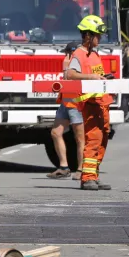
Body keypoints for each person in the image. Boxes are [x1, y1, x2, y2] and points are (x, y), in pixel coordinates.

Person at [66, 15, 112, 191]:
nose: (99, 39)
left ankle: (94, 174)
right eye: (97, 35)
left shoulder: (94, 53)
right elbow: (70, 74)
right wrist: (91, 77)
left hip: (101, 103)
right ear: (87, 35)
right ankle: (87, 178)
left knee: (102, 140)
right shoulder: (79, 54)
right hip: (91, 104)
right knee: (93, 139)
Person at [47, 41, 84, 179]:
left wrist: (65, 68)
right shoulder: (70, 64)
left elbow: (70, 78)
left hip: (76, 103)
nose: (65, 56)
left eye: (67, 53)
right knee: (56, 132)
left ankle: (81, 169)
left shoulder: (77, 63)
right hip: (66, 102)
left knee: (80, 138)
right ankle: (63, 167)